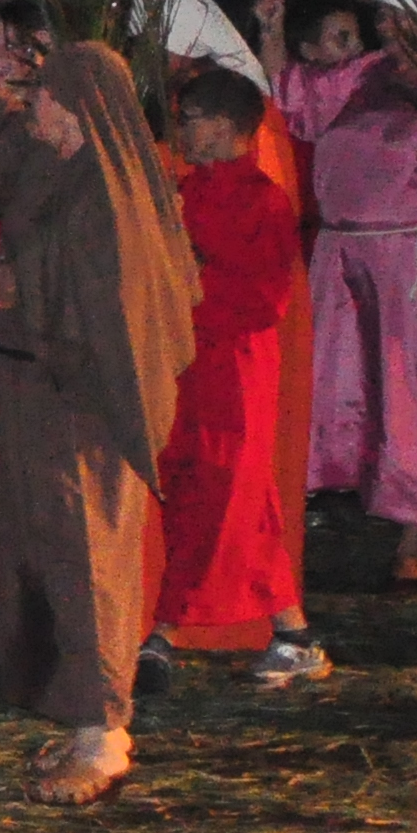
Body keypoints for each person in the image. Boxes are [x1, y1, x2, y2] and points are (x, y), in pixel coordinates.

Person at [0, 0, 201, 807]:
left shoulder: (110, 197)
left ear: (75, 108)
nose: (27, 101)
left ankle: (105, 732)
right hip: (34, 392)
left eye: (41, 94)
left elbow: (112, 300)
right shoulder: (54, 161)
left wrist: (18, 288)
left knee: (87, 557)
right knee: (46, 553)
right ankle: (79, 717)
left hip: (81, 404)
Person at [267, 0, 417, 586]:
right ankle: (369, 515)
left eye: (399, 14)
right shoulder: (365, 75)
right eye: (382, 14)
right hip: (343, 256)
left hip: (412, 258)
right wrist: (272, 28)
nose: (386, 26)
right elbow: (295, 104)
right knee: (345, 392)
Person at [156, 66, 309, 671]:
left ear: (223, 127)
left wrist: (192, 279)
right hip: (188, 362)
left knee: (221, 492)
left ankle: (162, 631)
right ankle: (292, 631)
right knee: (230, 495)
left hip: (234, 369)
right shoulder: (188, 190)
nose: (183, 134)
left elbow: (267, 301)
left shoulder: (263, 200)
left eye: (190, 121)